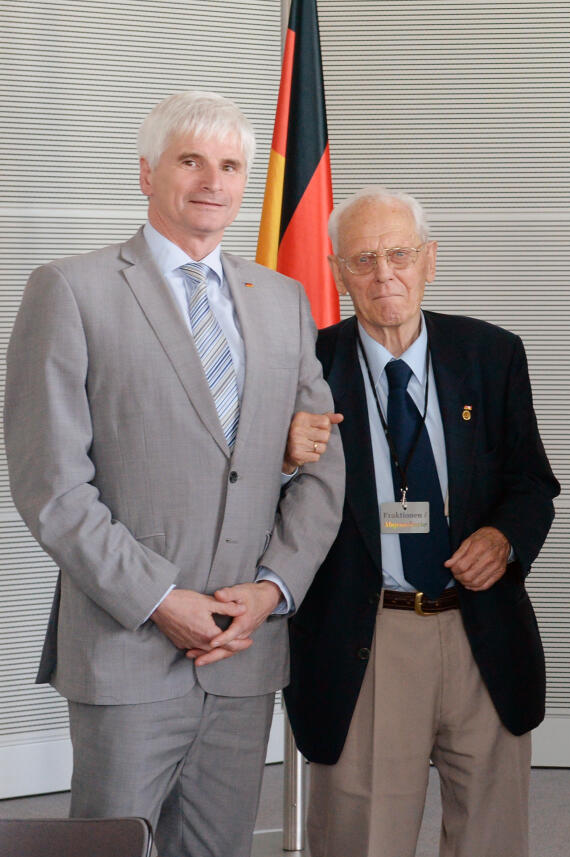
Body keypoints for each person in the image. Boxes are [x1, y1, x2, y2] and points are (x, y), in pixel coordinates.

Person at [3, 91, 345, 857]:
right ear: (147, 172)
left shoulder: (283, 301)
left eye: (230, 166)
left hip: (245, 648)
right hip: (128, 651)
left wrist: (271, 589)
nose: (212, 182)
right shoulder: (71, 290)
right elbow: (52, 486)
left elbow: (323, 469)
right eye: (191, 160)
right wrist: (160, 599)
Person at [283, 187, 559, 857]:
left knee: (491, 836)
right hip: (366, 634)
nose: (385, 275)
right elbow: (263, 500)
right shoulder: (304, 367)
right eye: (365, 258)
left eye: (400, 254)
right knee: (364, 838)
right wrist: (285, 459)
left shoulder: (491, 355)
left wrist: (503, 537)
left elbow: (532, 484)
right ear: (338, 270)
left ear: (430, 259)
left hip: (480, 627)